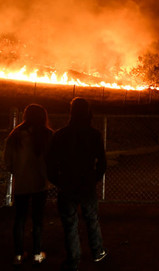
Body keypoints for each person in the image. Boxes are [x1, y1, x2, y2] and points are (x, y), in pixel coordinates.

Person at [46, 97, 107, 271]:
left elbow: (50, 162)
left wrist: (58, 181)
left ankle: (73, 259)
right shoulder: (94, 135)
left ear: (71, 111)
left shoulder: (60, 135)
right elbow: (102, 162)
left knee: (69, 222)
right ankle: (97, 252)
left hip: (67, 184)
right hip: (86, 184)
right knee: (92, 219)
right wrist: (93, 178)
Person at [4, 104, 53, 266]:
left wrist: (17, 171)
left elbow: (8, 161)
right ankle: (37, 254)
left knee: (20, 219)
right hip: (40, 183)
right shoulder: (48, 135)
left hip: (22, 184)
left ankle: (18, 255)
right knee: (38, 219)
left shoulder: (15, 135)